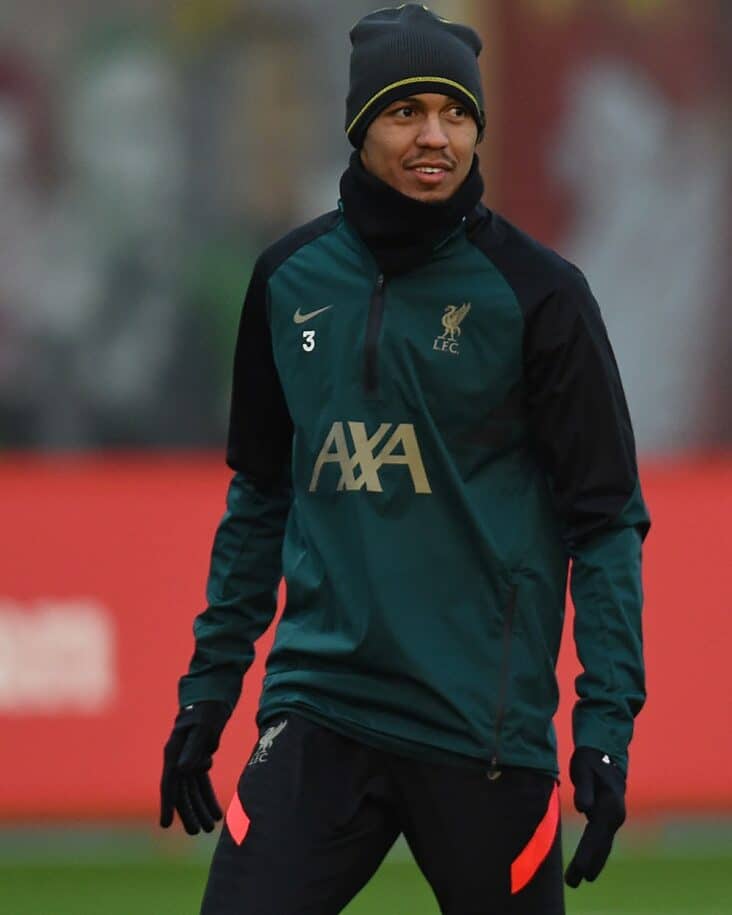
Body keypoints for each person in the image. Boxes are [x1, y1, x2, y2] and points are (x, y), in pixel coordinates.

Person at [160, 6, 650, 914]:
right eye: (407, 111)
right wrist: (207, 694)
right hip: (319, 707)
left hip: (485, 734)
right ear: (359, 126)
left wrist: (606, 722)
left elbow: (608, 523)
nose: (437, 136)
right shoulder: (287, 280)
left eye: (457, 114)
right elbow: (259, 504)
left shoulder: (542, 295)